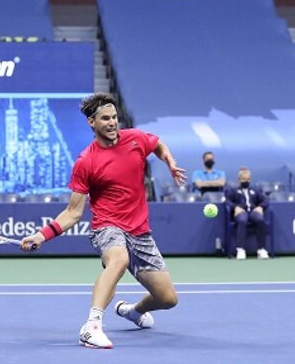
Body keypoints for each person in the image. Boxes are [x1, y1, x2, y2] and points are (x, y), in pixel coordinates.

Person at [20, 92, 187, 349]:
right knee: (119, 259)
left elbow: (157, 144)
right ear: (92, 122)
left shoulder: (135, 139)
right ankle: (92, 326)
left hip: (140, 231)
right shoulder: (86, 162)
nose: (112, 123)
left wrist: (170, 162)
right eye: (105, 118)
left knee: (167, 299)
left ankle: (132, 311)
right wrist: (42, 235)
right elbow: (73, 212)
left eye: (114, 117)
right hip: (107, 227)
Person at [224, 167, 270, 260]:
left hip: (253, 211)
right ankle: (240, 249)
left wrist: (261, 207)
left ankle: (261, 249)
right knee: (242, 220)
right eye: (244, 179)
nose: (246, 181)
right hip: (241, 212)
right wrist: (235, 207)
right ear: (239, 179)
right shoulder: (233, 191)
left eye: (248, 179)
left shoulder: (255, 190)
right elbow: (227, 201)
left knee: (260, 220)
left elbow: (265, 201)